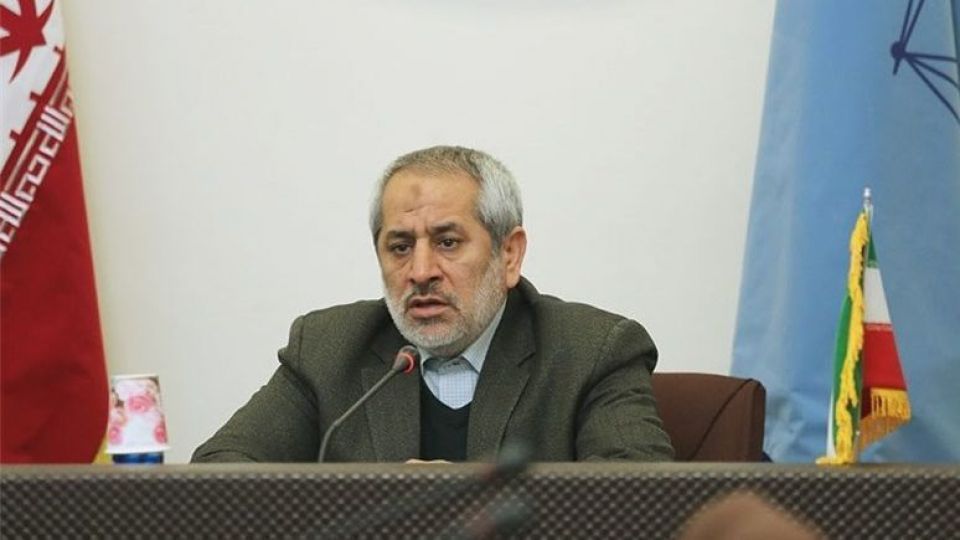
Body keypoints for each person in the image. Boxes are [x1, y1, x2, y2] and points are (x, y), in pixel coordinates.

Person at [192, 145, 673, 463]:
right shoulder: (327, 349)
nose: (420, 271)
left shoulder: (592, 351)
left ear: (509, 254)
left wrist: (469, 503)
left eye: (447, 242)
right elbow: (220, 473)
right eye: (400, 246)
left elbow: (637, 502)